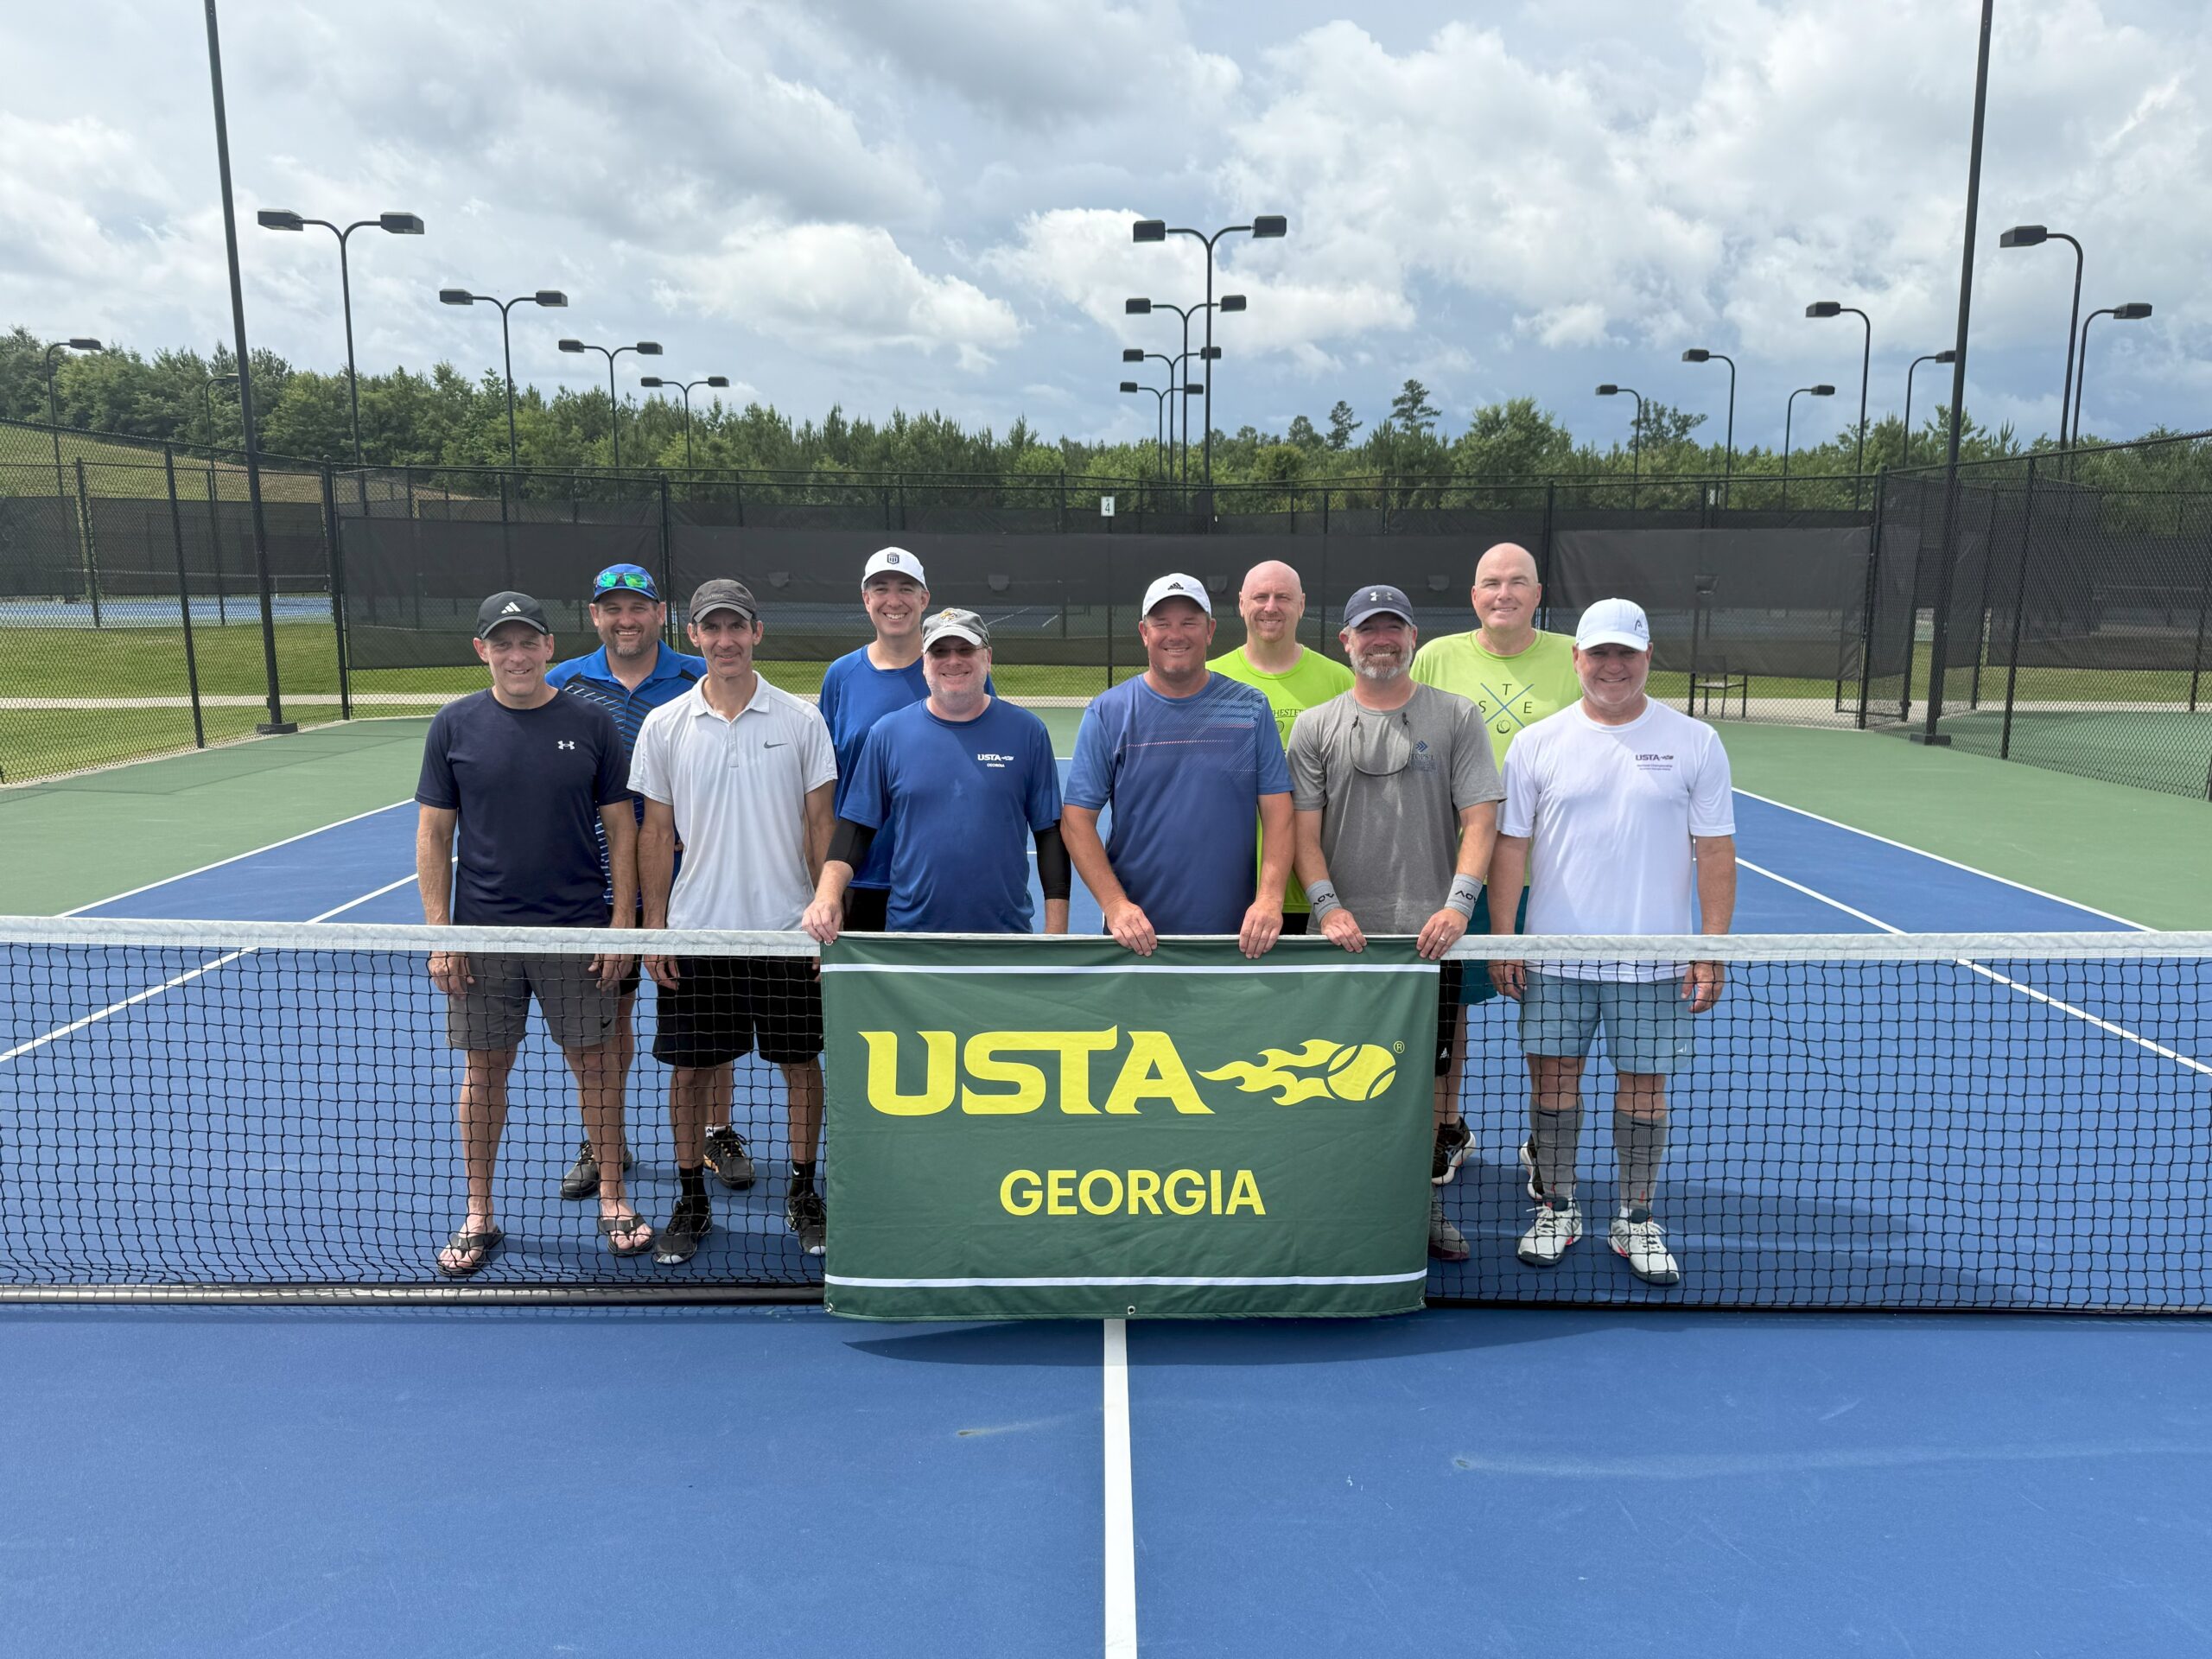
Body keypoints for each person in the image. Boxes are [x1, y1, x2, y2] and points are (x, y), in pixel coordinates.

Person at [1487, 597, 1738, 1287]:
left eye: (1625, 652)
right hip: (1554, 960)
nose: (1612, 666)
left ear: (1647, 656)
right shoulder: (1537, 743)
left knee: (1644, 1089)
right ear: (1577, 659)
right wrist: (1503, 941)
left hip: (1653, 965)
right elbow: (1510, 848)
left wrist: (1711, 948)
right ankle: (1558, 1207)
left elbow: (1716, 850)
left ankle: (1636, 1217)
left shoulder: (1695, 742)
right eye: (1599, 653)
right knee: (1553, 1082)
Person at [415, 591, 650, 1276]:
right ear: (482, 651)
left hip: (576, 935)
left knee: (596, 1065)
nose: (516, 655)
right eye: (502, 643)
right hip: (484, 939)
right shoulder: (453, 725)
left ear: (549, 647)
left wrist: (620, 926)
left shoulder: (591, 723)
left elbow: (622, 829)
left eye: (528, 642)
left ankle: (614, 1199)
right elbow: (433, 835)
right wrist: (442, 935)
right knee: (484, 1071)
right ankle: (479, 1213)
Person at [1287, 584, 1503, 1262]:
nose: (1381, 641)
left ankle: (1418, 1204)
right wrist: (1328, 908)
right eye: (1368, 630)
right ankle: (1336, 1203)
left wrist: (1458, 904)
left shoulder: (1457, 716)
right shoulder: (1314, 726)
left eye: (1393, 629)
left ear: (1412, 638)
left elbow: (1481, 820)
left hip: (1429, 945)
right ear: (1346, 641)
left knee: (1423, 1085)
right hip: (1340, 945)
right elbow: (1302, 834)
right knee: (1332, 1077)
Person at [632, 579, 837, 1263]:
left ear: (757, 633)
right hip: (699, 934)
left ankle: (804, 1192)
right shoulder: (664, 725)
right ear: (693, 635)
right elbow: (655, 833)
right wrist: (656, 928)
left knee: (800, 1065)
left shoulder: (801, 720)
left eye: (736, 627)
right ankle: (692, 1198)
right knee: (691, 1073)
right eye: (712, 628)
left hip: (786, 934)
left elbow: (821, 824)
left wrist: (823, 915)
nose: (725, 640)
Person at [1409, 542, 1584, 1188]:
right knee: (1447, 1008)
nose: (1503, 593)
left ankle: (1545, 1140)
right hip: (1452, 871)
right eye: (1491, 582)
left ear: (1538, 594)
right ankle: (1446, 1128)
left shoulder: (1574, 657)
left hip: (1552, 875)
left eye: (1517, 582)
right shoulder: (1436, 656)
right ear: (1474, 595)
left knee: (1547, 1010)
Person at [544, 563, 711, 1202]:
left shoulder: (697, 677)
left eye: (637, 607)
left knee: (705, 1023)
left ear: (659, 613)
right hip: (597, 889)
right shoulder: (563, 683)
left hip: (687, 884)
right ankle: (602, 1141)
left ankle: (718, 1131)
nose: (626, 619)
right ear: (595, 616)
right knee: (606, 1025)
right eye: (612, 608)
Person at [803, 608, 1069, 942]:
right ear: (925, 662)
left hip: (1005, 937)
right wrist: (827, 896)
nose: (953, 661)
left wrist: (1056, 934)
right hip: (911, 939)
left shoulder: (1028, 732)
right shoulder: (887, 734)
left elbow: (1049, 835)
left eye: (965, 649)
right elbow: (856, 829)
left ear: (987, 658)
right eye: (940, 651)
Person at [1062, 573, 1292, 959]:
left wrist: (1270, 899)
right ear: (1144, 633)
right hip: (1135, 939)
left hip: (1237, 937)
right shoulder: (1108, 712)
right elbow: (1076, 820)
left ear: (1210, 631)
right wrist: (1115, 905)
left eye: (1189, 622)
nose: (1175, 635)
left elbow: (1279, 811)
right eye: (1162, 623)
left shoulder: (1250, 708)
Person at [815, 547, 993, 933]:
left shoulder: (957, 673)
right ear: (866, 599)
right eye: (881, 589)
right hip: (861, 878)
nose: (893, 601)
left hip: (942, 880)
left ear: (924, 599)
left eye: (905, 589)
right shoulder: (841, 676)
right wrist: (828, 885)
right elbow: (825, 790)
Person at [1206, 559, 1353, 936]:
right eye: (1260, 597)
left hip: (1321, 896)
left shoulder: (1340, 681)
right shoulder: (1209, 680)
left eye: (1283, 597)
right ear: (1241, 603)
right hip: (1229, 887)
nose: (1271, 607)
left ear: (1301, 605)